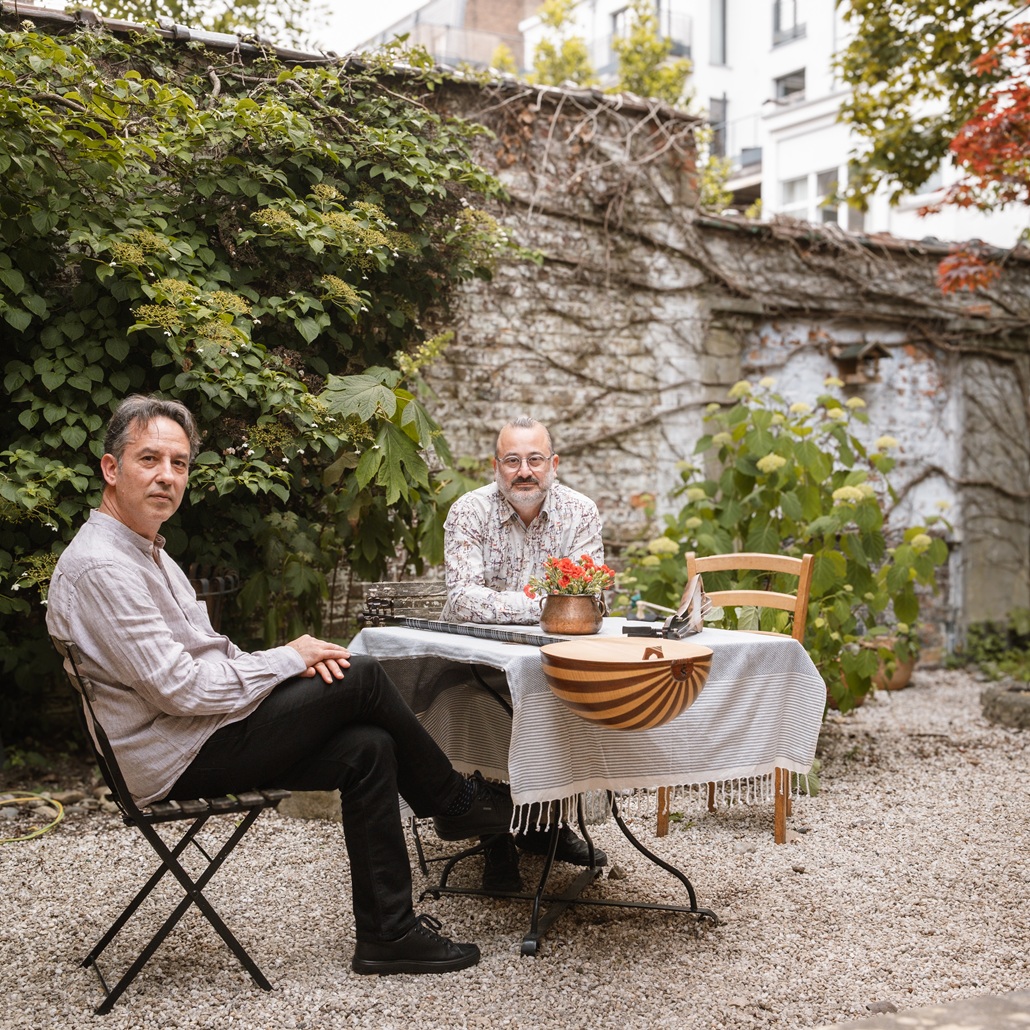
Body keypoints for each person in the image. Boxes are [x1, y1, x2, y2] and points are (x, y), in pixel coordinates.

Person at [46, 395, 513, 976]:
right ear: (111, 469)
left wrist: (287, 670)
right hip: (174, 753)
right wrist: (288, 659)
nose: (167, 476)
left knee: (369, 747)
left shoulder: (148, 552)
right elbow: (181, 689)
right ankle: (455, 803)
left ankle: (388, 935)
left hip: (199, 733)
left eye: (180, 463)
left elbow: (212, 659)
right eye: (150, 460)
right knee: (363, 675)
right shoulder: (103, 566)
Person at [440, 415, 608, 891]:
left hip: (555, 662)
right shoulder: (468, 512)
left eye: (535, 459)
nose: (524, 471)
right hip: (478, 663)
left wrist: (525, 606)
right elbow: (462, 598)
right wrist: (548, 606)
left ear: (554, 464)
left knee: (567, 699)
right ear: (496, 466)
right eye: (512, 461)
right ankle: (495, 835)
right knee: (485, 703)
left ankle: (544, 826)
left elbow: (590, 596)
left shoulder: (580, 512)